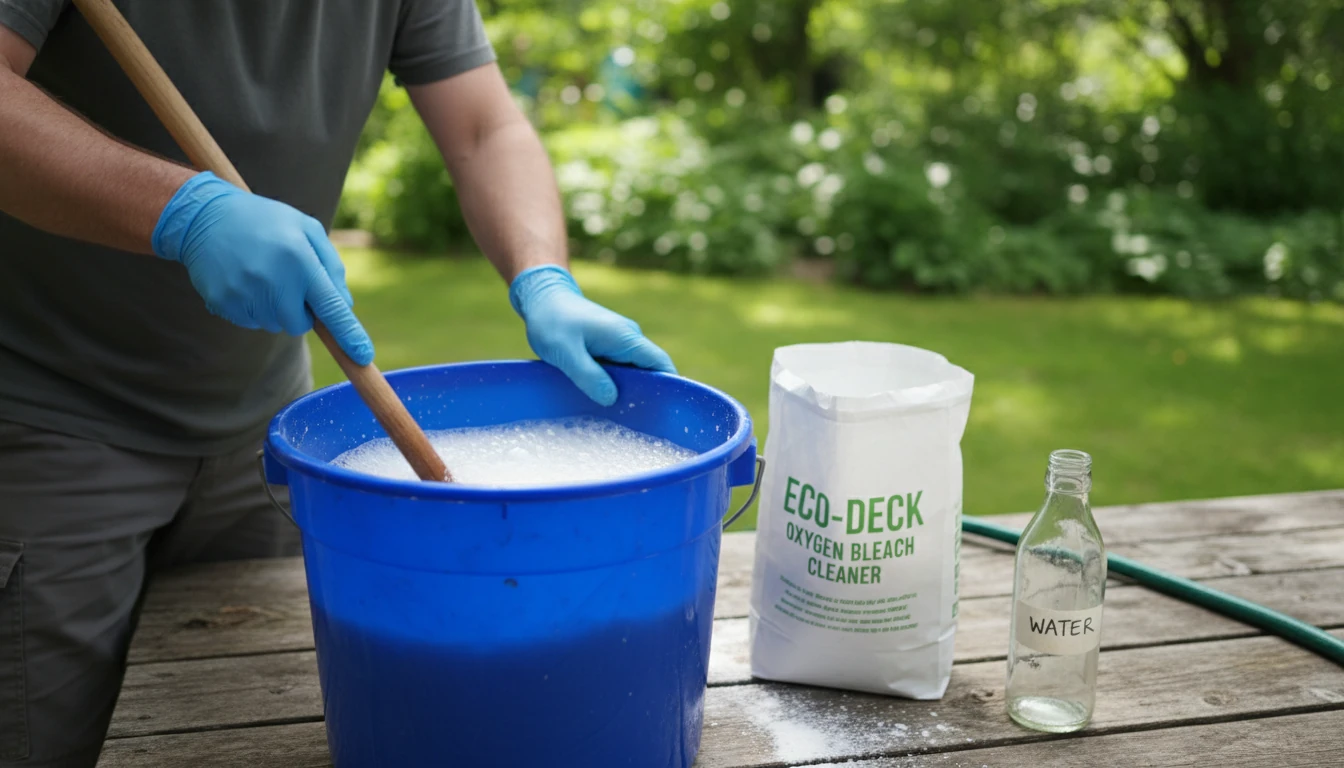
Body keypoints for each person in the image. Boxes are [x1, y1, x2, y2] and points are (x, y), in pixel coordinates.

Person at [0, 1, 676, 765]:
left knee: (237, 724)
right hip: (49, 422)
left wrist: (543, 276)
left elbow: (485, 124)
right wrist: (181, 211)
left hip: (266, 426)